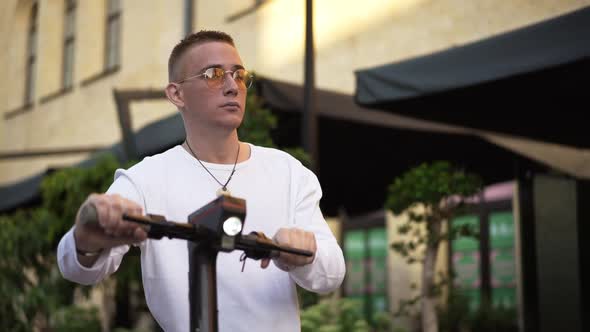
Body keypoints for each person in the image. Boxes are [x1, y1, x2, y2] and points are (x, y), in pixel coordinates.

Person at [57, 30, 345, 332]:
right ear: (176, 94)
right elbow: (78, 268)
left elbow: (332, 274)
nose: (232, 86)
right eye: (213, 74)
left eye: (239, 74)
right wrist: (86, 237)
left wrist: (305, 253)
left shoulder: (288, 171)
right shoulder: (144, 179)